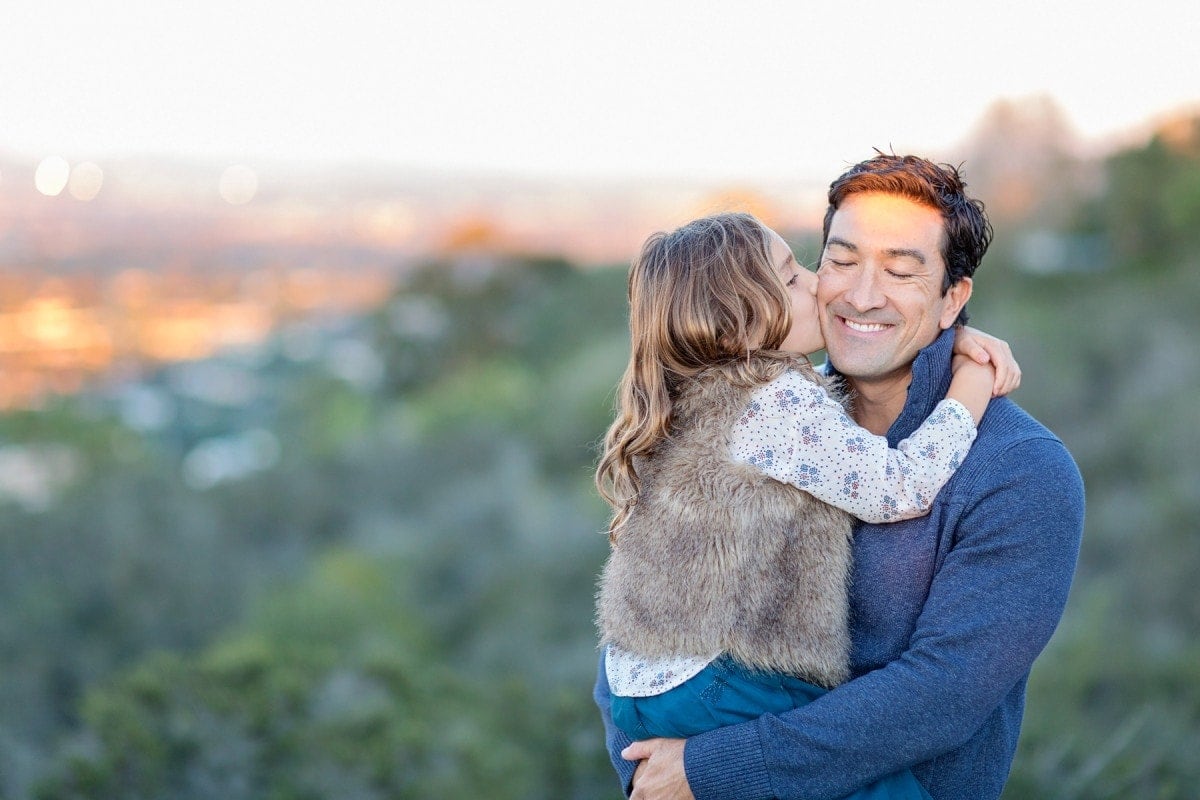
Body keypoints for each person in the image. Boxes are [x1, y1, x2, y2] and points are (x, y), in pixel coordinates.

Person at [595, 154, 1085, 800]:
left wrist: (707, 770)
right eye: (838, 261)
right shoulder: (775, 416)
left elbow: (939, 696)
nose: (860, 295)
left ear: (952, 300)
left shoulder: (1022, 474)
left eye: (902, 271)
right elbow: (647, 597)